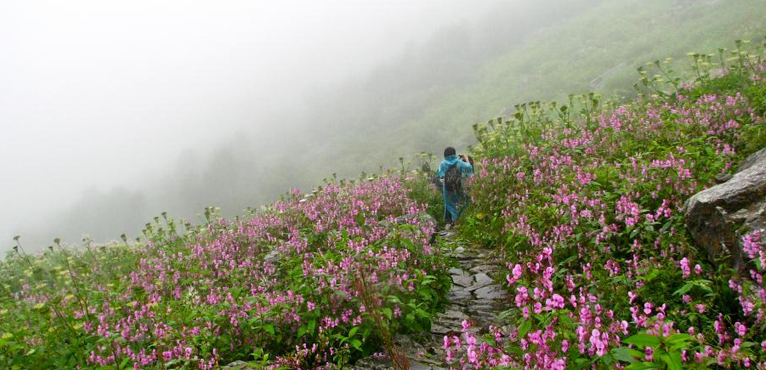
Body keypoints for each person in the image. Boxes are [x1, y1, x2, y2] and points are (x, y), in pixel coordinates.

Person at [438, 147, 473, 227]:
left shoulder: (442, 163)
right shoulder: (459, 162)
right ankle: (459, 221)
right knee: (461, 203)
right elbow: (469, 168)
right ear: (454, 153)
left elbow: (440, 174)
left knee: (450, 204)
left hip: (447, 189)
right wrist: (466, 158)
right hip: (458, 186)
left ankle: (453, 221)